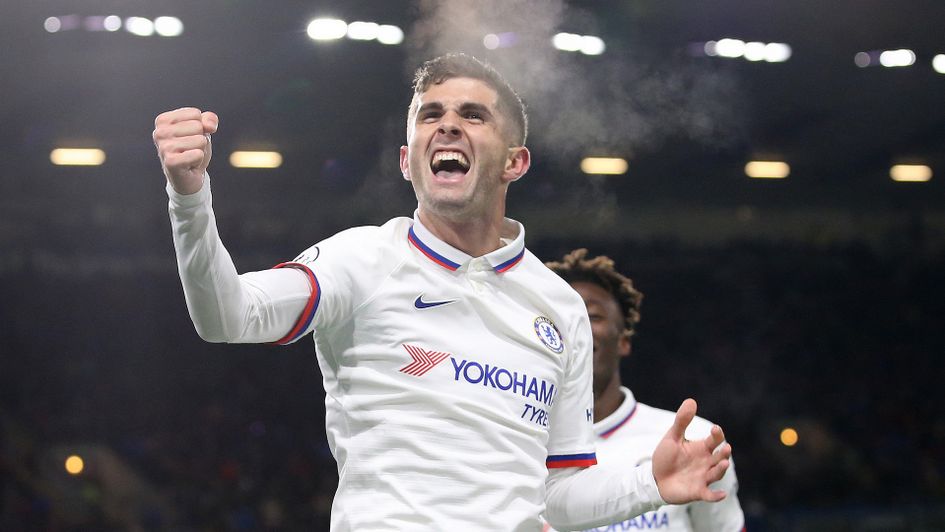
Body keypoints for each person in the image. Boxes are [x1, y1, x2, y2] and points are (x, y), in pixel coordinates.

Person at [152, 53, 732, 531]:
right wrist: (189, 198)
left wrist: (648, 484)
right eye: (431, 115)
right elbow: (227, 315)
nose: (448, 125)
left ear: (515, 161)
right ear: (408, 161)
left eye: (473, 115)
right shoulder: (363, 259)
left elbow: (557, 494)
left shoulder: (558, 307)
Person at [545, 249, 745, 531]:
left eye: (592, 316)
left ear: (624, 340)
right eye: (559, 318)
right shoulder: (515, 445)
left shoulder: (696, 441)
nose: (575, 328)